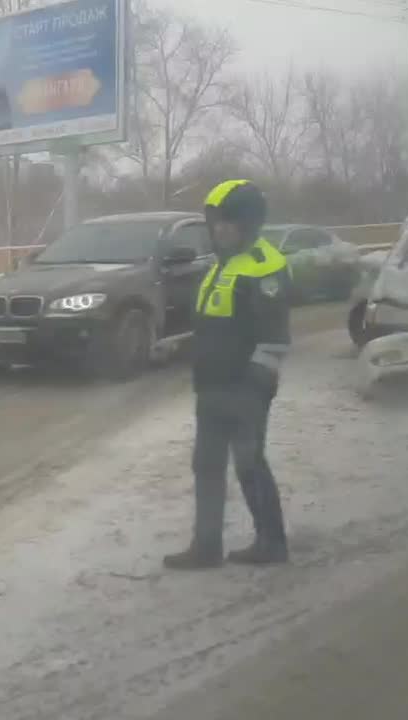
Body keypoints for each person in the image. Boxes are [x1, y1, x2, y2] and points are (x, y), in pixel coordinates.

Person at [164, 179, 291, 570]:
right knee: (207, 465)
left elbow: (274, 338)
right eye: (215, 223)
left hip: (246, 388)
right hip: (213, 386)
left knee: (249, 464)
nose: (219, 230)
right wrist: (187, 347)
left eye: (227, 223)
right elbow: (215, 323)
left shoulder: (264, 266)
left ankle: (272, 542)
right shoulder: (221, 263)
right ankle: (206, 546)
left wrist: (254, 386)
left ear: (249, 224)